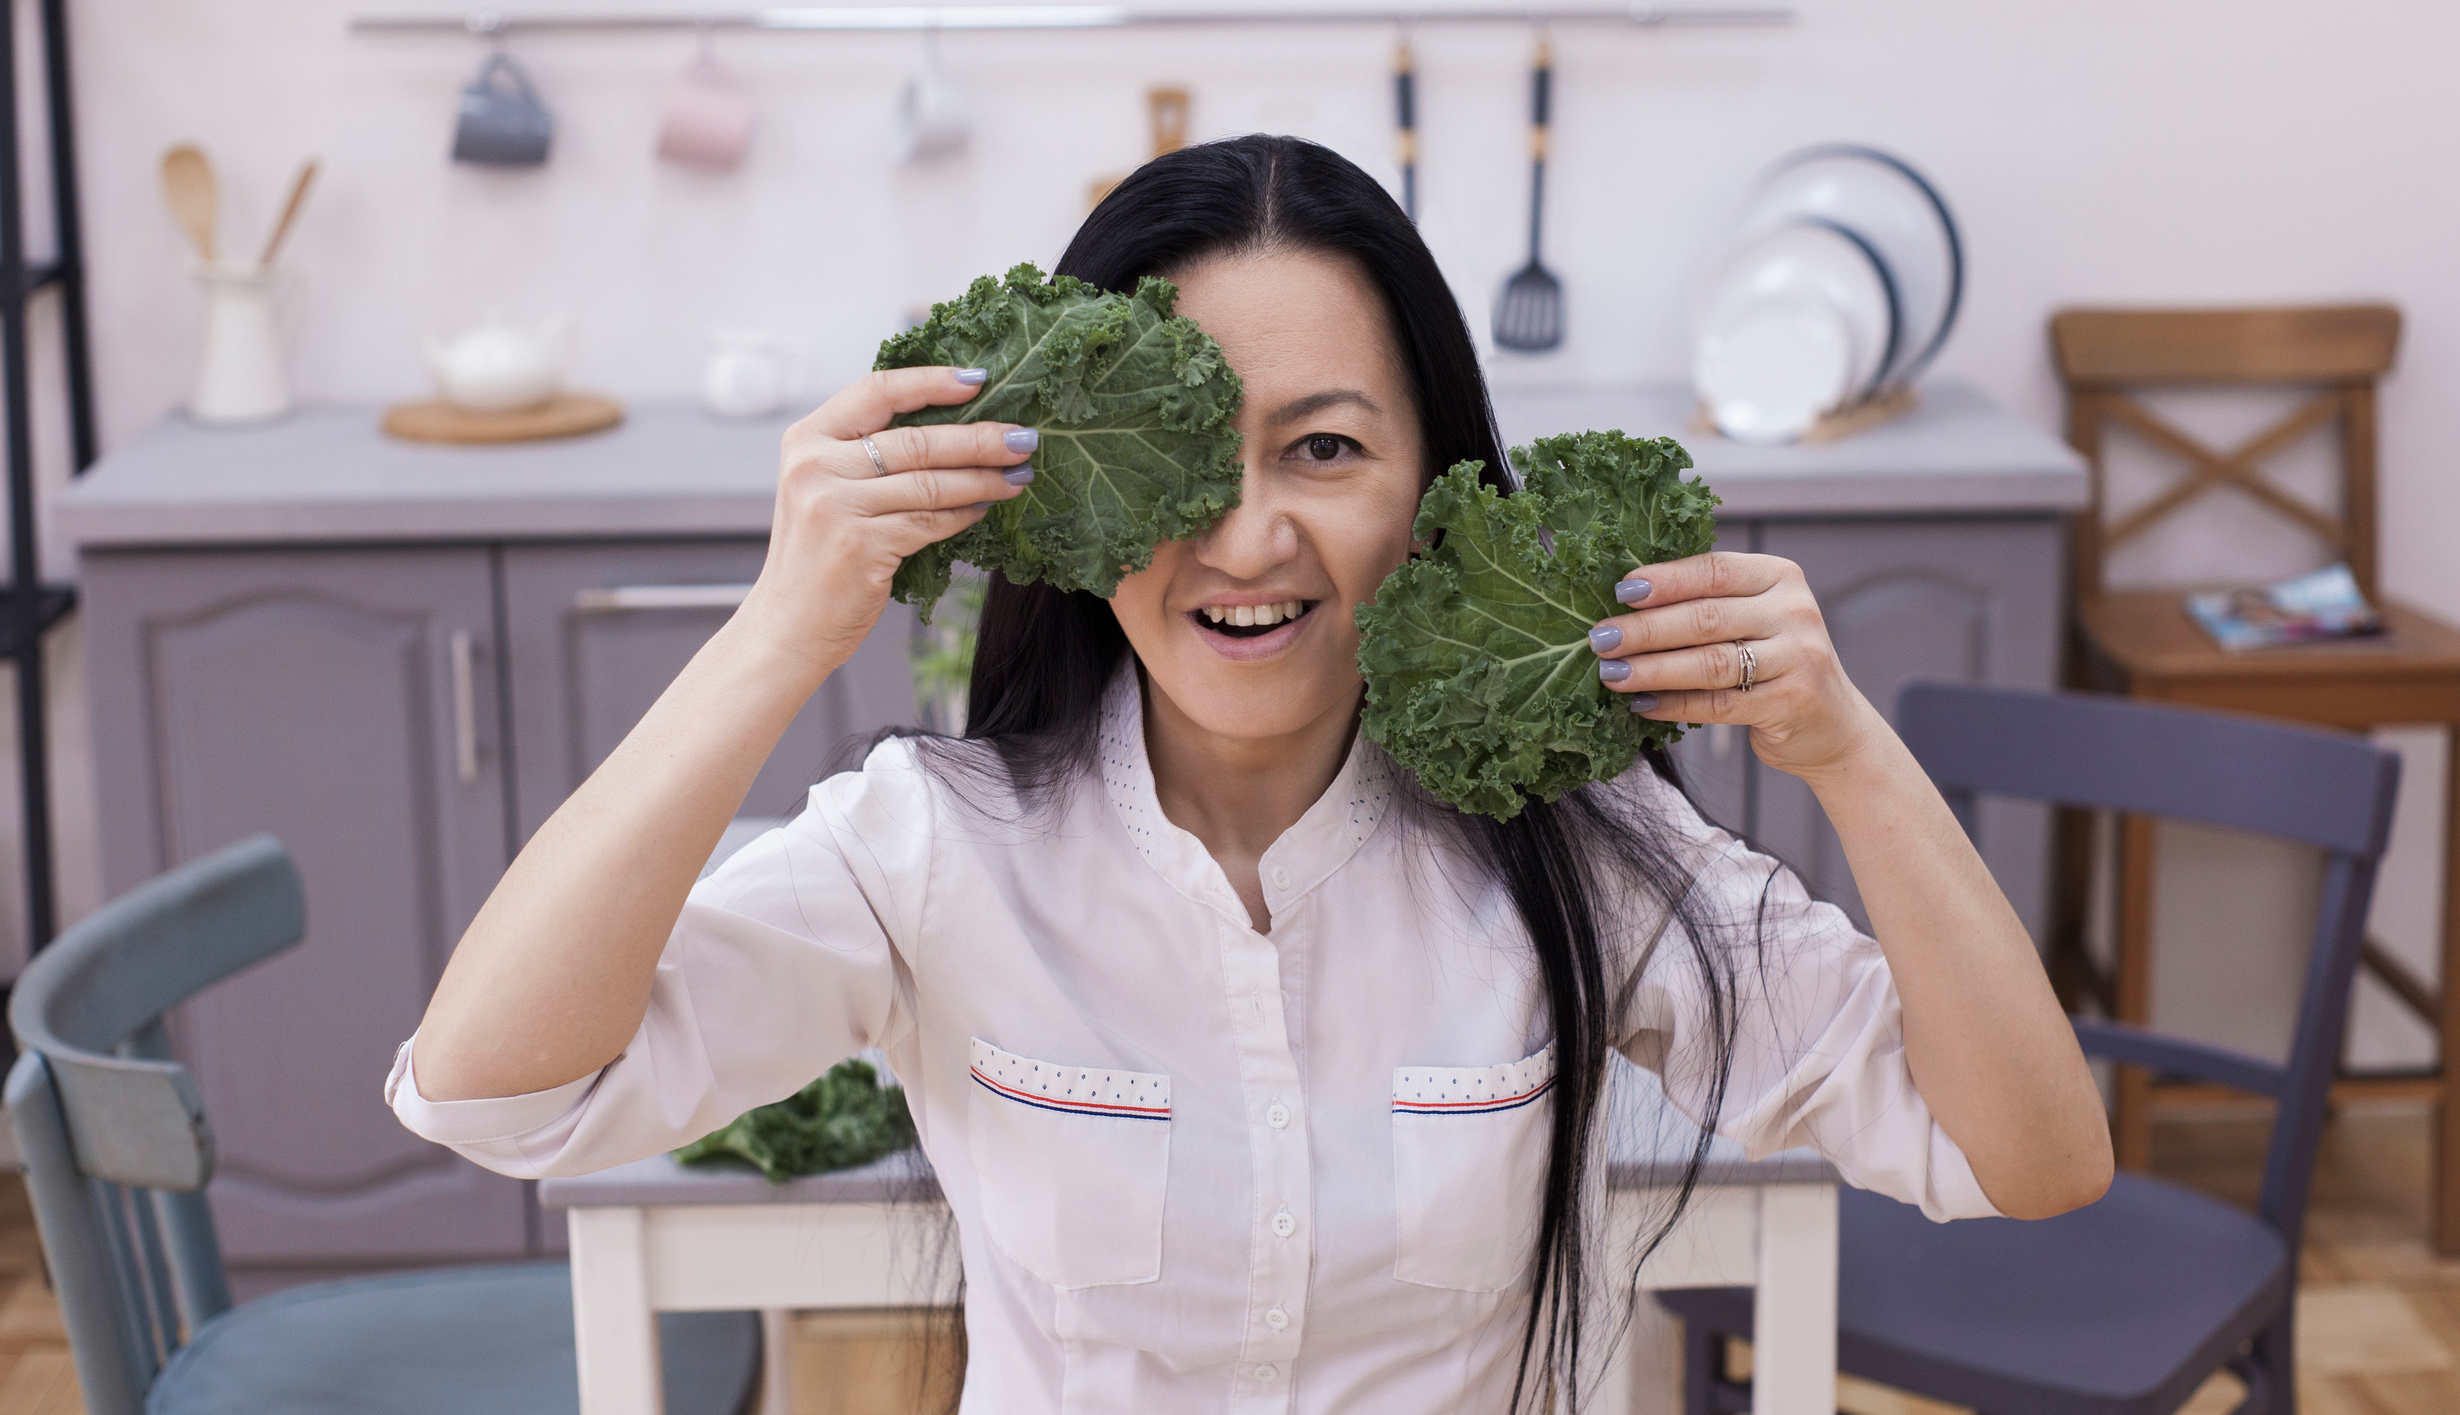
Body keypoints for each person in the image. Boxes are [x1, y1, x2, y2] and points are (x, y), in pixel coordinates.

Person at [387, 135, 2110, 1413]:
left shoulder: (1575, 852)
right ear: (1064, 496)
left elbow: (2029, 1161)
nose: (1248, 536)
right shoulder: (939, 851)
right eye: (1182, 461)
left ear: (1437, 483)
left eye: (1329, 448)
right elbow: (496, 1093)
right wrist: (778, 632)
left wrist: (1850, 751)